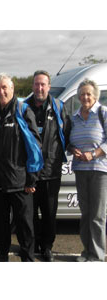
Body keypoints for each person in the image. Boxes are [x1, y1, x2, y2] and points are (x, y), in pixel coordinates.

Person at [0, 73, 43, 262]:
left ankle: (28, 258)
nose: (1, 92)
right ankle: (1, 256)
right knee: (1, 224)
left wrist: (32, 177)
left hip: (20, 182)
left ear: (12, 89)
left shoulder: (23, 110)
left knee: (24, 225)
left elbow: (35, 147)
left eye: (4, 88)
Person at [25, 70, 71, 262]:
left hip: (51, 172)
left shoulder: (58, 107)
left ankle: (47, 247)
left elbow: (67, 134)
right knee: (31, 213)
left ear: (49, 86)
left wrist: (54, 155)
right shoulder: (23, 107)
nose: (40, 88)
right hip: (30, 171)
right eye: (37, 84)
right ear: (33, 86)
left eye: (43, 84)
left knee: (49, 213)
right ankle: (32, 244)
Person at [69, 79, 107, 262]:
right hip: (80, 169)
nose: (85, 97)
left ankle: (98, 256)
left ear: (95, 96)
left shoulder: (103, 112)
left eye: (88, 94)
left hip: (99, 170)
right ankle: (86, 252)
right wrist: (72, 149)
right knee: (85, 213)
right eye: (82, 94)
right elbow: (68, 140)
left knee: (97, 215)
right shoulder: (74, 116)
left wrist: (94, 153)